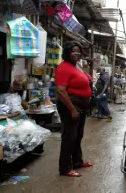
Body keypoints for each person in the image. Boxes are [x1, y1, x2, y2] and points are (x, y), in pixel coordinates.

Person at [55, 41, 93, 177]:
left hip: (81, 105)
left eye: (78, 51)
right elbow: (60, 90)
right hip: (71, 105)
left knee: (78, 135)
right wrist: (72, 110)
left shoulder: (76, 66)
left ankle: (77, 161)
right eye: (73, 51)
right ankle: (64, 168)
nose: (76, 53)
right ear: (67, 52)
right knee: (69, 137)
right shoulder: (63, 67)